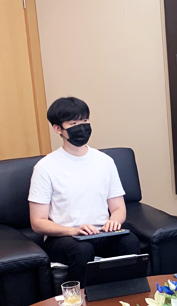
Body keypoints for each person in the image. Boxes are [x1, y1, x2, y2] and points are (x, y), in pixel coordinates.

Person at [29, 96, 140, 283]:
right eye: (73, 124)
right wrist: (72, 231)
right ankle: (82, 299)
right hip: (65, 238)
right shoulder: (45, 167)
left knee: (129, 241)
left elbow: (118, 208)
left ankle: (128, 295)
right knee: (82, 249)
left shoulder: (105, 161)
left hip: (102, 232)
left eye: (85, 121)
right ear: (57, 129)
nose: (81, 128)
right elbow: (37, 222)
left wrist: (114, 221)